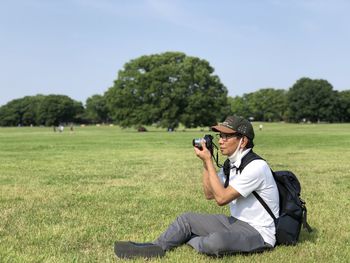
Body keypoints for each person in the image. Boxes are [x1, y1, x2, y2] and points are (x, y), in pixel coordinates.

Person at [114, 116, 279, 259]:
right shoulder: (232, 164)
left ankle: (188, 238)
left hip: (259, 233)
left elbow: (221, 199)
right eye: (220, 135)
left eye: (227, 136)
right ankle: (155, 247)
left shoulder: (257, 167)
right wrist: (205, 164)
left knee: (216, 242)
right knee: (186, 219)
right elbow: (209, 194)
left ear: (243, 140)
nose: (220, 140)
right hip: (236, 223)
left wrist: (209, 161)